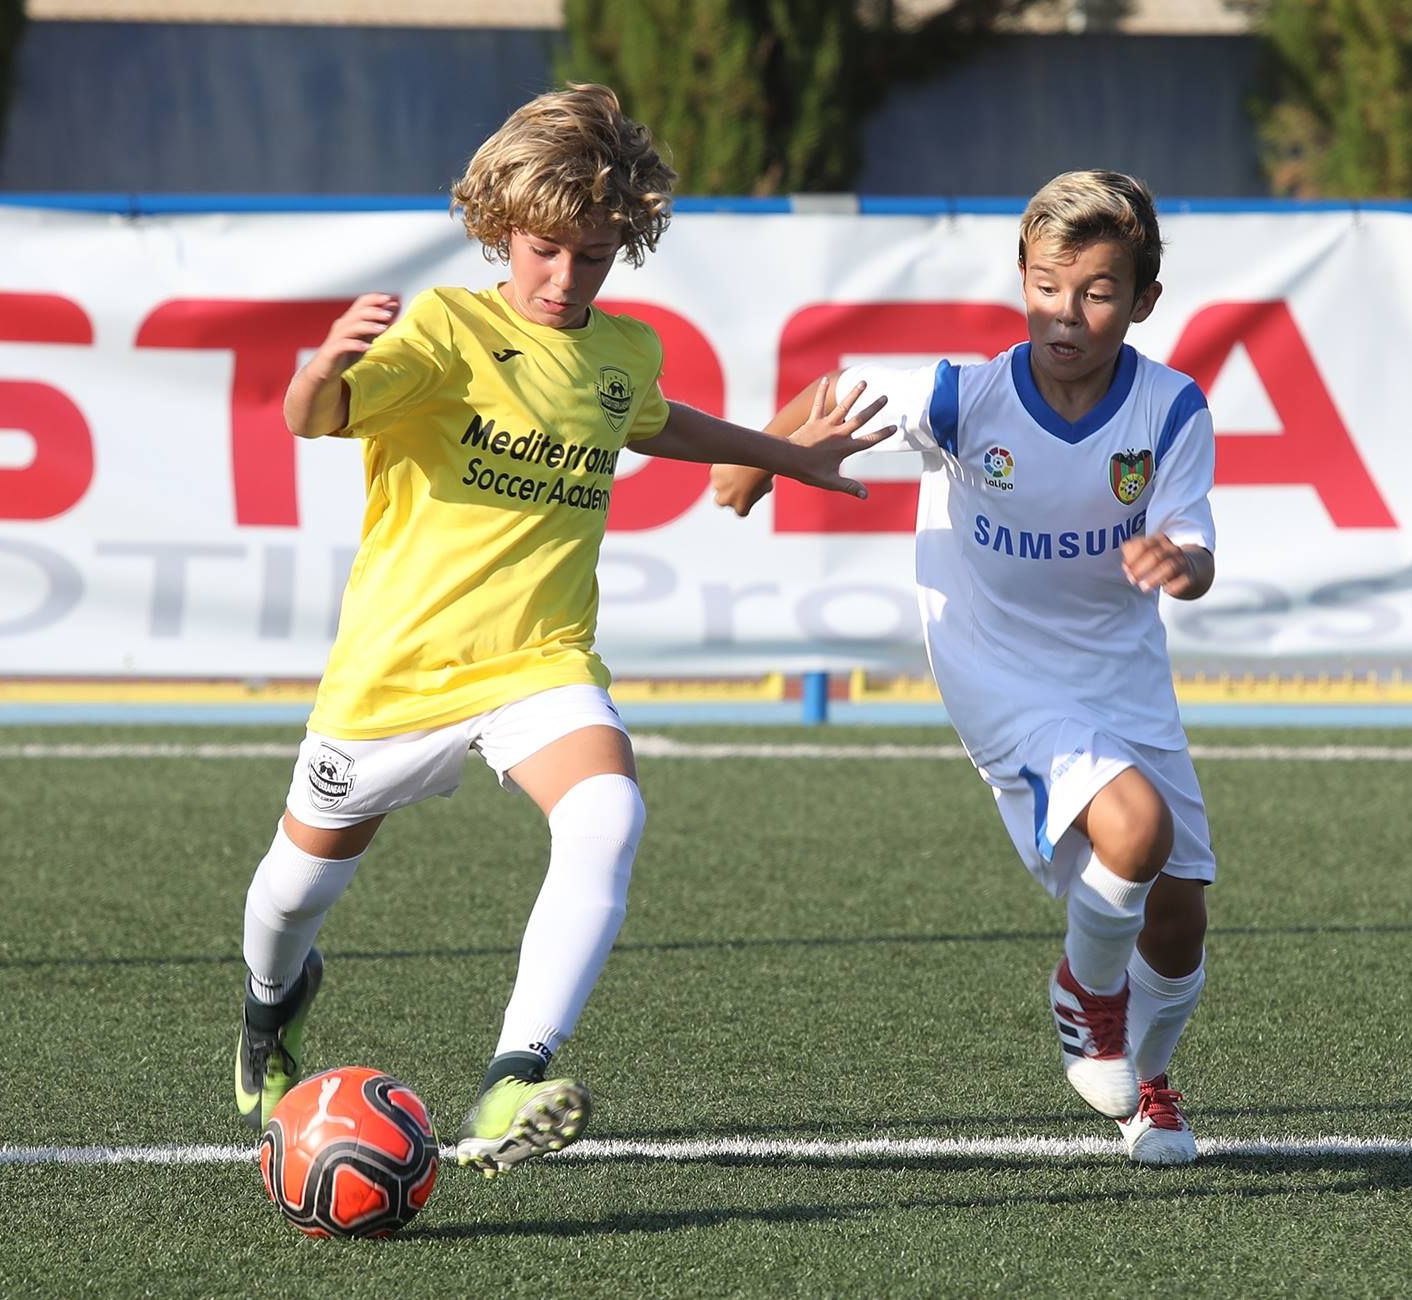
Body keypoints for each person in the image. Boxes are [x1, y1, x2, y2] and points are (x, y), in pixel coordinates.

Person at [232, 82, 892, 1178]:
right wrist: (319, 367)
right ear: (501, 228)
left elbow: (653, 420)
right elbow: (318, 416)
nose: (564, 278)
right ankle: (268, 1008)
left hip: (540, 661)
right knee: (296, 892)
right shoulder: (448, 329)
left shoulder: (622, 349)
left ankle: (510, 1080)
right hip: (394, 674)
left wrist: (787, 456)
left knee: (607, 812)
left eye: (593, 255)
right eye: (545, 250)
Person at [710, 170, 1216, 1166]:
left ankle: (1148, 1083)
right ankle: (1085, 997)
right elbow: (835, 389)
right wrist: (760, 458)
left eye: (1096, 292)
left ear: (1143, 300)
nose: (1065, 313)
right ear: (1021, 281)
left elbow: (1194, 543)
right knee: (1136, 828)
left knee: (1179, 918)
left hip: (1121, 673)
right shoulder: (963, 396)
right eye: (1046, 286)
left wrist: (1181, 564)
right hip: (999, 670)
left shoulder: (1169, 408)